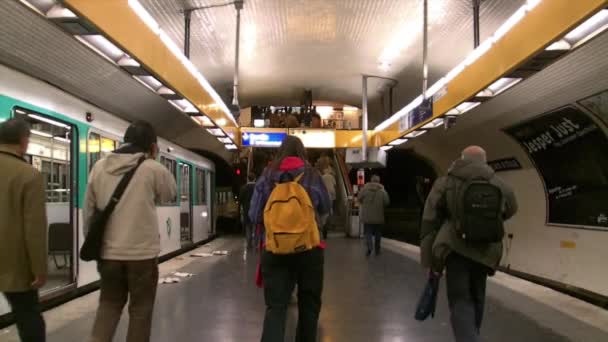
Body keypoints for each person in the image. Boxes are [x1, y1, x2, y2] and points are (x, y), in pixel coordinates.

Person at [85, 121, 177, 342]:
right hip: (142, 256)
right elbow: (169, 194)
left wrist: (94, 243)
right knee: (140, 311)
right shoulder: (153, 168)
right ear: (152, 147)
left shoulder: (99, 167)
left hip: (109, 255)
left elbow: (89, 211)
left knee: (108, 306)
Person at [420, 146, 518, 342]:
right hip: (486, 250)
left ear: (462, 159)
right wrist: (486, 224)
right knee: (477, 296)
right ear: (485, 160)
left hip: (455, 248)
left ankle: (469, 338)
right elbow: (511, 208)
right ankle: (473, 335)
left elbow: (430, 220)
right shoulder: (499, 183)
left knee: (460, 299)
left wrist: (429, 258)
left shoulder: (445, 182)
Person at [249, 136, 330, 342]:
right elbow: (326, 207)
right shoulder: (313, 175)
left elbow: (254, 214)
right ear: (302, 152)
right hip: (310, 249)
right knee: (309, 306)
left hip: (275, 249)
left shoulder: (267, 176)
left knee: (276, 308)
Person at [0, 118, 48, 342]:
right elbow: (34, 228)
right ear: (23, 140)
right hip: (15, 265)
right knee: (28, 318)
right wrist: (39, 269)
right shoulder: (29, 175)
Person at [358, 174, 390, 256]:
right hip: (379, 216)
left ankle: (369, 247)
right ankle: (377, 249)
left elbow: (359, 198)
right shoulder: (382, 191)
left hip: (367, 216)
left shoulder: (365, 189)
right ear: (379, 181)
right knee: (378, 234)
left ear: (371, 180)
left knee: (368, 233)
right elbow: (387, 202)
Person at [318, 156, 336, 239]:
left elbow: (320, 186)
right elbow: (335, 185)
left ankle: (323, 224)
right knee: (330, 209)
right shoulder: (331, 176)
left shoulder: (322, 177)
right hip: (331, 194)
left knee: (324, 211)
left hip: (324, 194)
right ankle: (330, 221)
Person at [240, 172, 257, 248]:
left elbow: (240, 200)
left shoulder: (243, 188)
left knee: (248, 228)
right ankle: (256, 243)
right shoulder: (257, 187)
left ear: (248, 179)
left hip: (246, 211)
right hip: (256, 211)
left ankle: (249, 244)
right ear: (255, 178)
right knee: (256, 228)